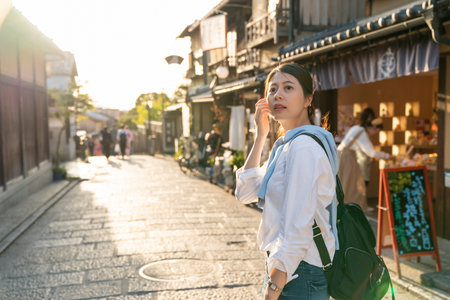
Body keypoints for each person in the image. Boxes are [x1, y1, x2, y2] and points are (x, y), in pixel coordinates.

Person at [234, 63, 339, 300]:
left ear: (307, 99)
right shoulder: (286, 146)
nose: (278, 95)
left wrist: (273, 288)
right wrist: (260, 136)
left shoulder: (303, 147)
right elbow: (245, 193)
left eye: (288, 87)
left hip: (297, 271)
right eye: (272, 90)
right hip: (287, 267)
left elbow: (298, 226)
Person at [337, 107, 391, 211]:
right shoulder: (361, 131)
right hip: (347, 156)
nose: (376, 132)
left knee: (349, 183)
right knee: (354, 184)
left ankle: (355, 207)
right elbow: (372, 153)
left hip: (343, 155)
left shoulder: (356, 128)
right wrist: (389, 156)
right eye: (376, 130)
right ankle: (356, 207)